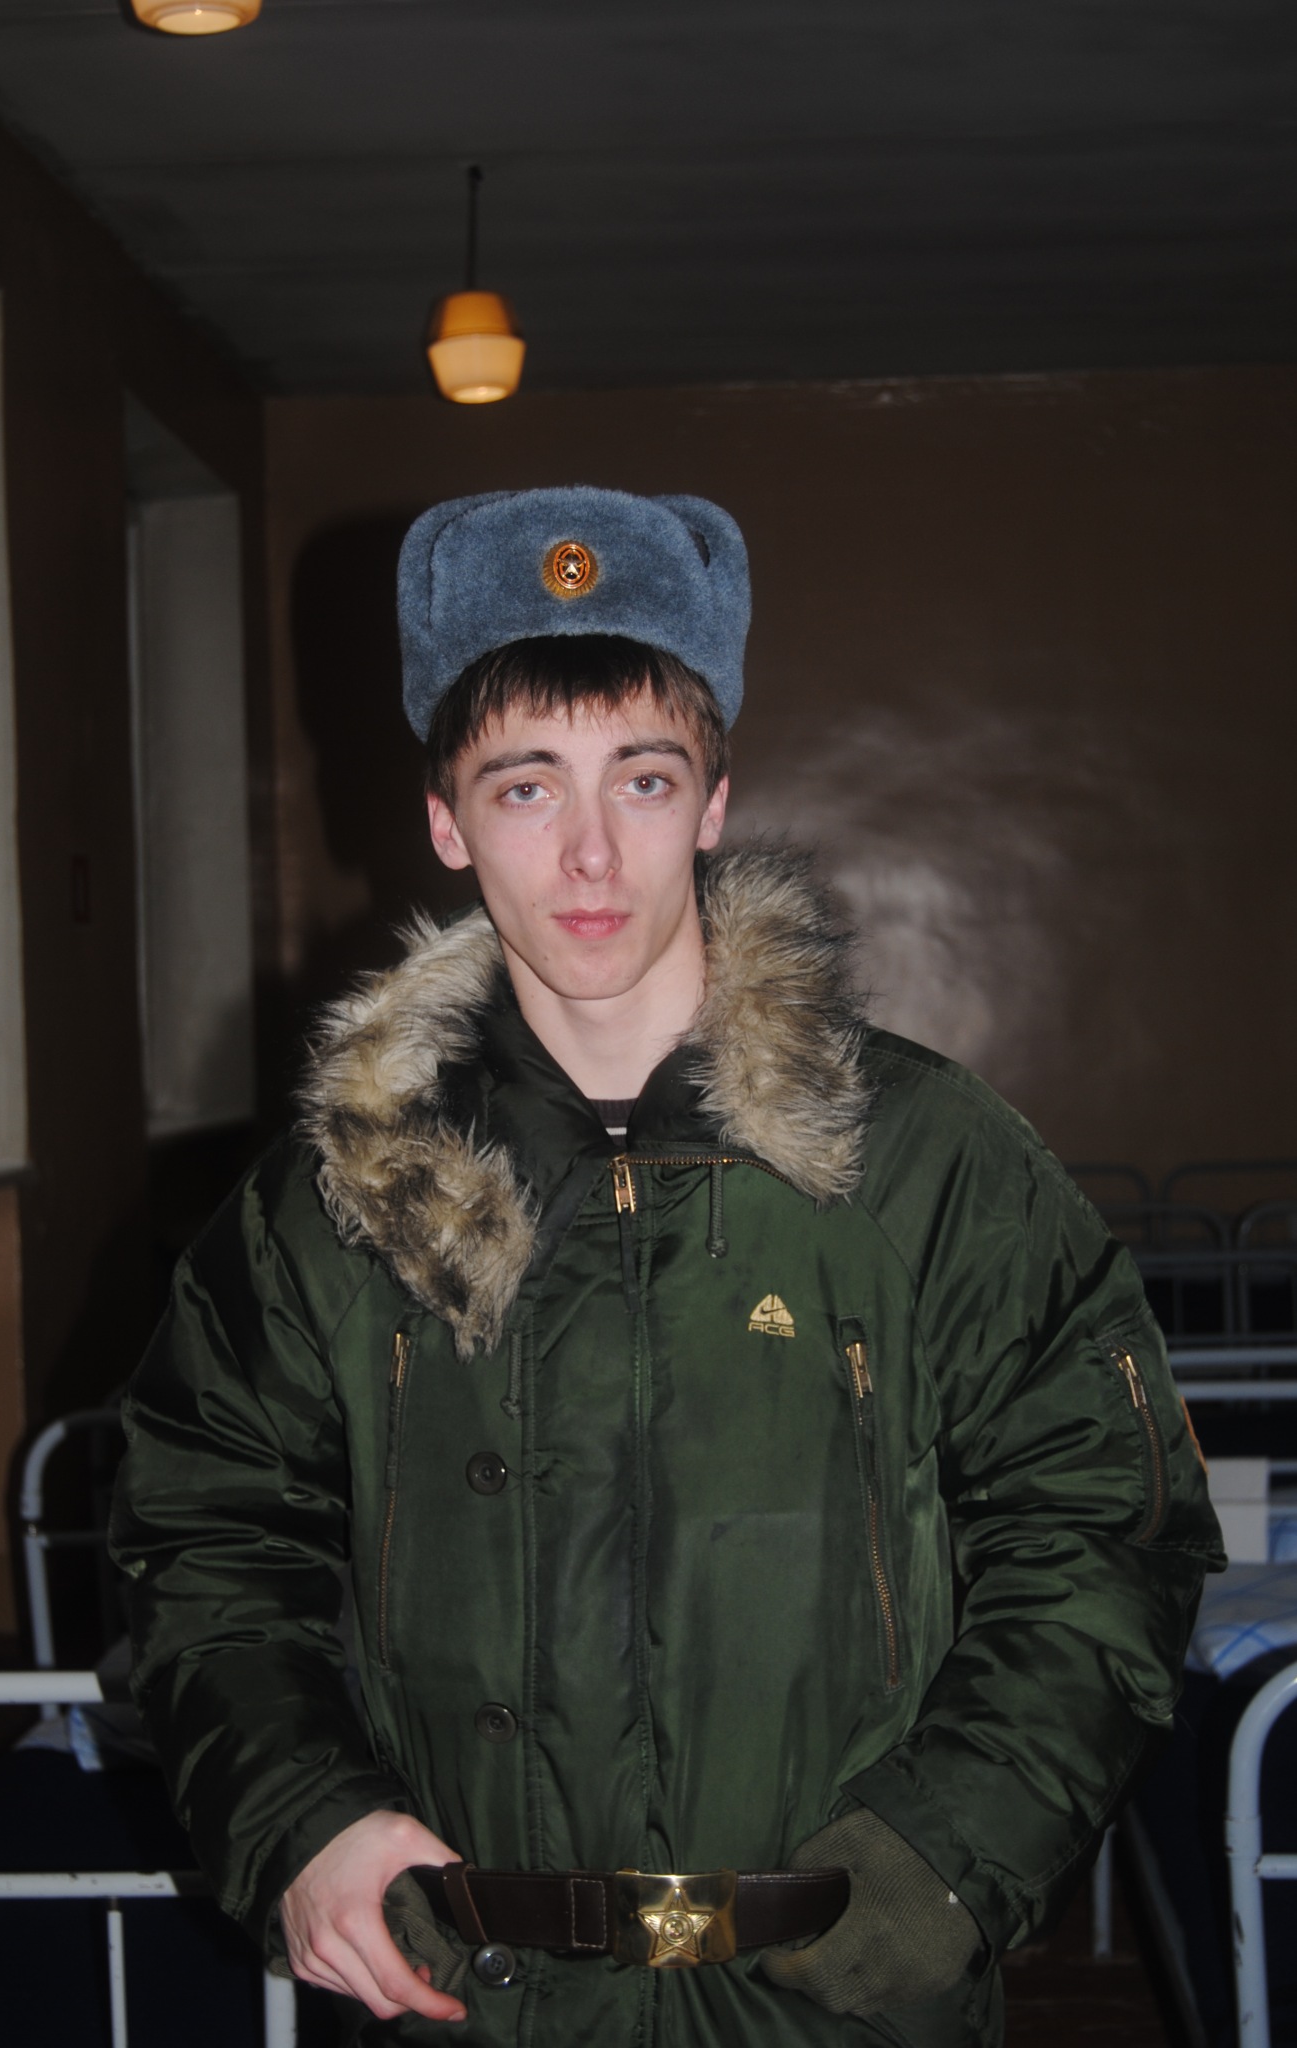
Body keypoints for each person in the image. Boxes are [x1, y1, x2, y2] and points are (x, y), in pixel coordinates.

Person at [111, 485, 1223, 2047]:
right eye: (525, 787)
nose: (589, 853)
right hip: (473, 1999)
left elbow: (1103, 1523)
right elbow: (208, 1535)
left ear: (713, 802)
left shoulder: (923, 1160)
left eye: (642, 778)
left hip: (841, 1995)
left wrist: (952, 1851)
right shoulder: (341, 1199)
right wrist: (302, 1814)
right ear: (444, 822)